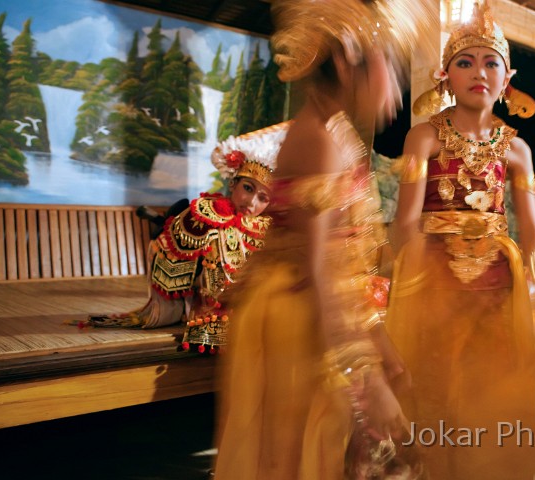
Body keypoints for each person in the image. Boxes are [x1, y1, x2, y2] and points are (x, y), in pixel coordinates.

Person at [212, 1, 436, 478]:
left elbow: (348, 261)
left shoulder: (338, 135)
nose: (395, 88)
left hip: (331, 310)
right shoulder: (318, 140)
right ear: (344, 63)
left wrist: (382, 347)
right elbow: (316, 271)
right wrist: (364, 376)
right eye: (388, 69)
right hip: (302, 319)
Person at [386, 1, 535, 478]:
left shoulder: (517, 148)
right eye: (465, 62)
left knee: (492, 388)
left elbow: (532, 226)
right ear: (445, 75)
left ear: (507, 78)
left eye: (490, 62)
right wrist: (410, 285)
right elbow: (405, 220)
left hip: (499, 284)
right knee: (433, 386)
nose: (479, 71)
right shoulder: (424, 137)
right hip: (435, 280)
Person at [83, 123, 286, 354]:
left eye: (263, 198)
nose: (251, 202)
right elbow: (176, 262)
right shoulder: (205, 215)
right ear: (233, 183)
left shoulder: (268, 229)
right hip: (209, 315)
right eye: (248, 188)